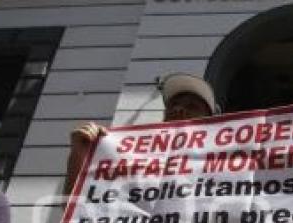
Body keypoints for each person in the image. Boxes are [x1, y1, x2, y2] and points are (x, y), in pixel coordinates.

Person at [65, 72, 218, 195]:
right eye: (173, 104)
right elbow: (78, 212)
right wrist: (78, 156)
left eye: (192, 106)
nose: (178, 109)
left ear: (209, 120)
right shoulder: (130, 155)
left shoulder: (221, 162)